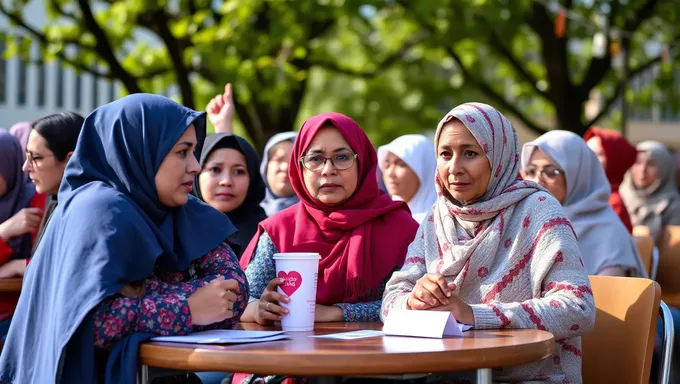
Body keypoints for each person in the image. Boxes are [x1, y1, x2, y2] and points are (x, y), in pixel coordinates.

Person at [0, 94, 248, 384]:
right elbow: (93, 323)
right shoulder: (98, 210)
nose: (195, 166)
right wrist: (189, 307)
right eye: (182, 152)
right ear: (140, 150)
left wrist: (146, 293)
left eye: (194, 152)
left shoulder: (185, 209)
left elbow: (234, 288)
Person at [382, 103, 595, 383]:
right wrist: (413, 300)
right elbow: (391, 299)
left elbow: (578, 308)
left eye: (470, 153)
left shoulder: (539, 210)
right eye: (445, 154)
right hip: (449, 373)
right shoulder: (440, 216)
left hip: (528, 376)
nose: (454, 168)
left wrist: (474, 315)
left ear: (499, 157)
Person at [240, 112, 419, 326]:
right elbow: (242, 299)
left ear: (361, 162)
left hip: (380, 356)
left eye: (342, 157)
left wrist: (335, 313)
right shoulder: (280, 230)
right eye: (315, 159)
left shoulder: (400, 227)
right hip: (292, 355)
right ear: (299, 167)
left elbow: (414, 301)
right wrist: (260, 309)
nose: (328, 170)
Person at [522, 130, 646, 277]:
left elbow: (606, 296)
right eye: (531, 171)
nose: (537, 180)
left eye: (550, 171)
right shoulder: (523, 221)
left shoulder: (608, 232)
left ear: (577, 175)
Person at [0, 132, 45, 339]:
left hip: (20, 314)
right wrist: (5, 231)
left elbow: (50, 264)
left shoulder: (37, 199)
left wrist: (20, 265)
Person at [195, 133, 268, 256]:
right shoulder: (173, 231)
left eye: (238, 171)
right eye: (215, 169)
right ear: (195, 173)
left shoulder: (268, 236)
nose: (226, 181)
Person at [620, 141, 680, 243]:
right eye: (637, 163)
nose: (643, 169)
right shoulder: (618, 198)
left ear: (664, 168)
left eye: (651, 164)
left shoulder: (673, 205)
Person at [583, 127, 637, 233]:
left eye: (599, 154)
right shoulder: (583, 193)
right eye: (587, 153)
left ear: (615, 158)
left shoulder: (613, 204)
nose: (590, 159)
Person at [378, 134, 437, 223]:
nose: (390, 173)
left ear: (424, 168)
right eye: (387, 165)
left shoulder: (440, 223)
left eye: (402, 164)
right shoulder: (384, 219)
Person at [260, 132, 299, 217]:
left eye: (294, 162)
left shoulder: (317, 217)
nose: (285, 167)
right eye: (278, 159)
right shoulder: (245, 213)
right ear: (266, 165)